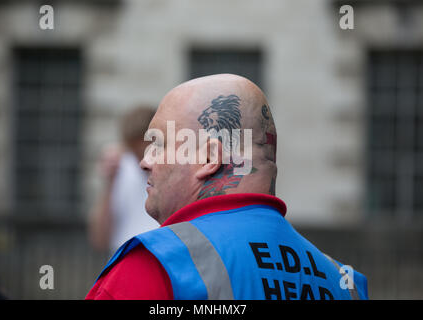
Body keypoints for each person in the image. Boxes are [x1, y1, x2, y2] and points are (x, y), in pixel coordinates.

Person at [86, 74, 368, 300]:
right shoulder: (345, 282)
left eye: (159, 145)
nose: (145, 162)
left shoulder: (155, 266)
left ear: (209, 158)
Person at [88, 106, 159, 254]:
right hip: (124, 260)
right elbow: (99, 239)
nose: (143, 162)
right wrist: (109, 183)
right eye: (136, 153)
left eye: (146, 151)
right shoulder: (119, 168)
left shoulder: (174, 173)